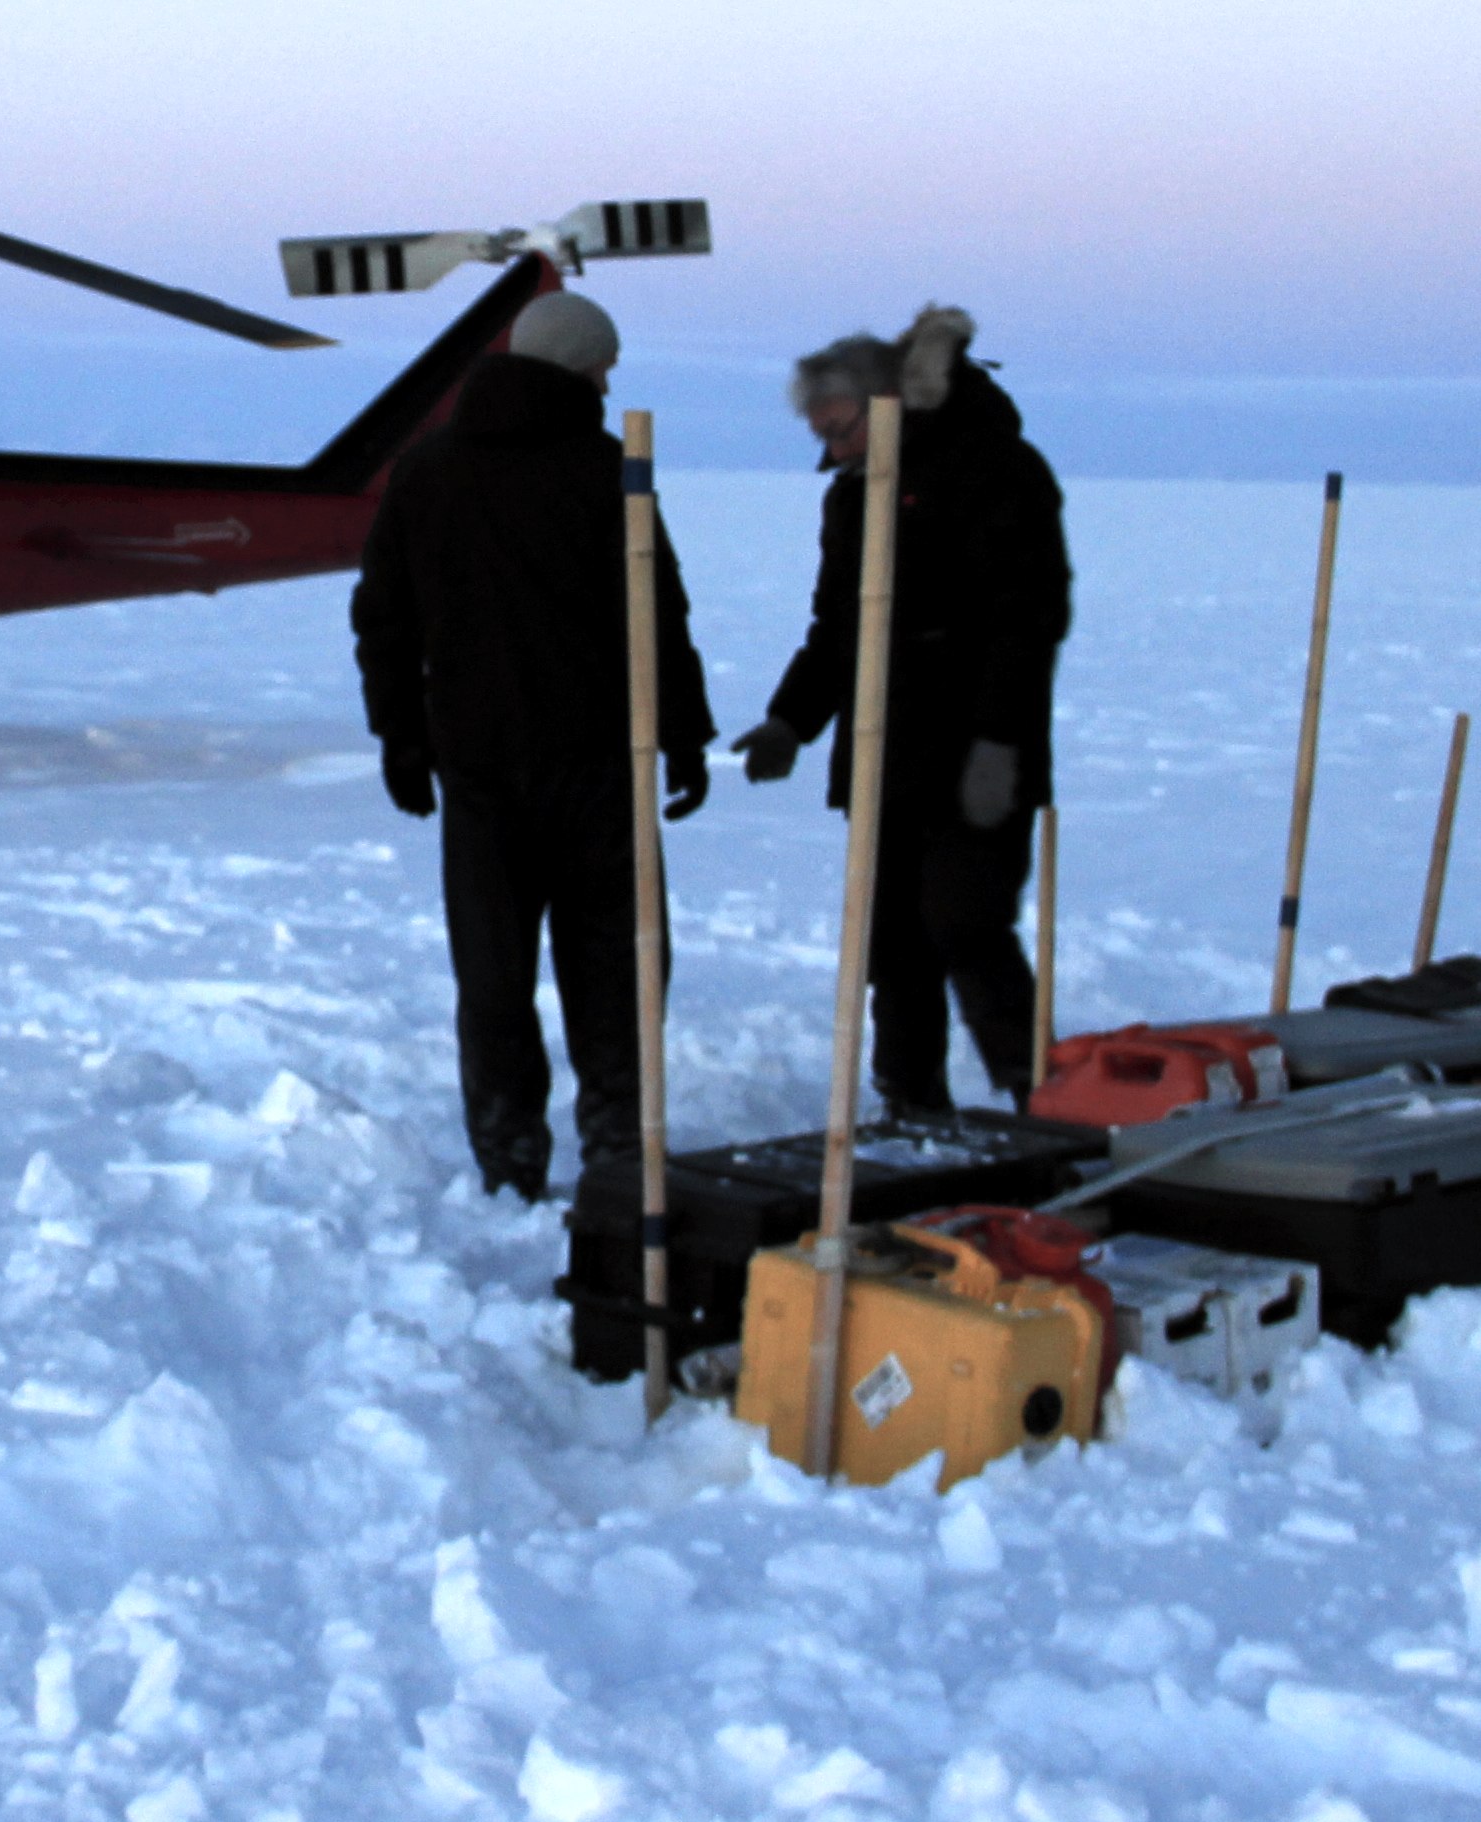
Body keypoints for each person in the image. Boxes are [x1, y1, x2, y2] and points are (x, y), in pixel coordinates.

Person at [351, 289, 712, 1203]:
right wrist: (683, 735)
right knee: (618, 970)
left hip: (479, 773)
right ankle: (620, 1155)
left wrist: (400, 736)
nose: (610, 377)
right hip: (598, 769)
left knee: (494, 979)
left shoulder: (424, 469)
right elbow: (657, 614)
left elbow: (384, 621)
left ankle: (510, 1162)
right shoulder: (607, 469)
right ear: (578, 369)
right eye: (603, 363)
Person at [732, 307, 1070, 1114]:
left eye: (839, 428)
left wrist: (998, 743)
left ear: (889, 406)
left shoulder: (998, 468)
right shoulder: (853, 495)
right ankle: (911, 1103)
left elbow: (1026, 620)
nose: (829, 451)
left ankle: (1039, 1101)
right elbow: (838, 627)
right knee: (893, 938)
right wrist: (792, 721)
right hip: (886, 745)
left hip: (976, 748)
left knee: (965, 922)